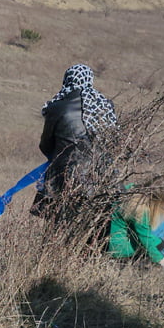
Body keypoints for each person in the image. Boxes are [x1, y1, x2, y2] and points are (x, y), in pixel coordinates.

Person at [32, 63, 119, 230]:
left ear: (67, 80)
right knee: (90, 229)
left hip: (61, 178)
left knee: (56, 228)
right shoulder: (104, 106)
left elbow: (45, 145)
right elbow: (114, 144)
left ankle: (52, 256)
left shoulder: (57, 107)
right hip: (98, 177)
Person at [107, 176, 164, 274]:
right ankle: (132, 266)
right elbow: (145, 240)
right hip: (118, 247)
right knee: (158, 244)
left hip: (112, 235)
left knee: (156, 241)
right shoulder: (141, 211)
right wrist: (162, 260)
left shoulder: (131, 189)